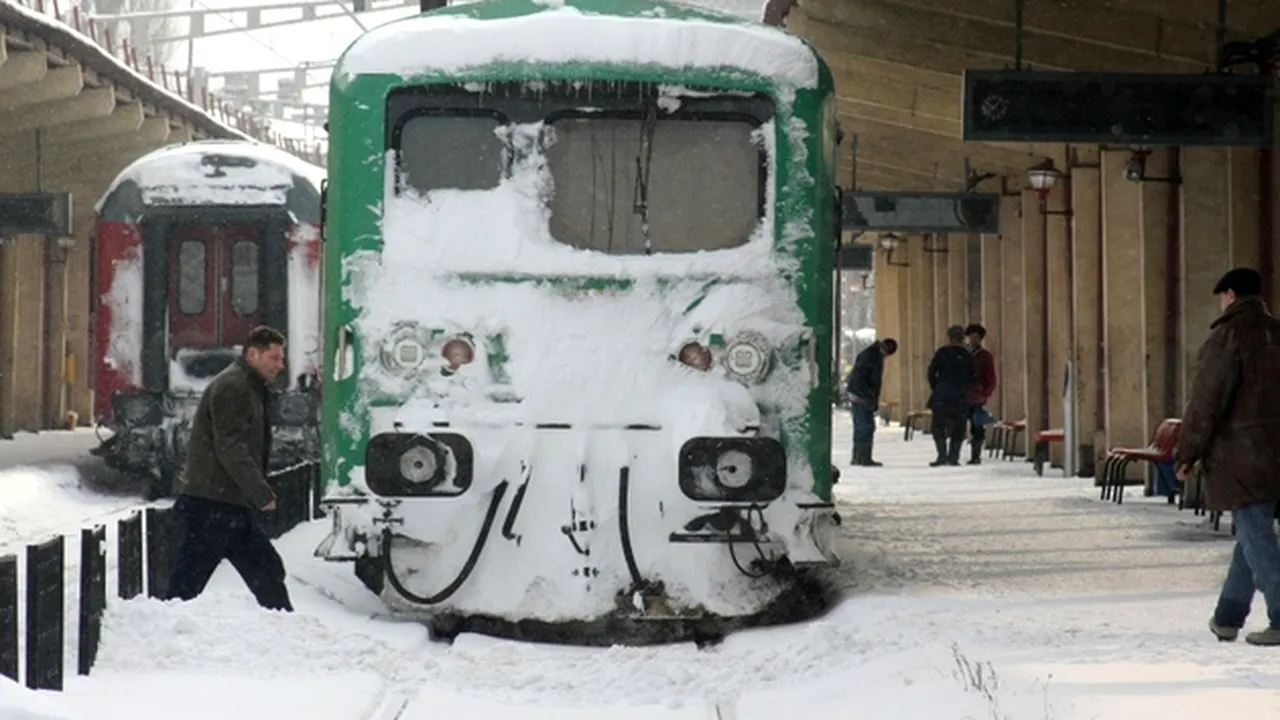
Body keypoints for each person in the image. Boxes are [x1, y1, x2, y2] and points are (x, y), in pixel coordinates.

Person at [1176, 268, 1280, 646]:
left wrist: (1188, 452)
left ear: (1231, 296)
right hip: (1274, 451)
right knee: (1252, 532)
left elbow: (1207, 402)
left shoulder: (1228, 337)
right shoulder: (1276, 332)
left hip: (1243, 453)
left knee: (1256, 532)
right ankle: (1228, 616)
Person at [161, 325, 294, 612]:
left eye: (281, 358)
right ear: (253, 355)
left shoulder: (247, 386)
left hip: (226, 502)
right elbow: (230, 446)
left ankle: (284, 624)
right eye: (274, 358)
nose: (280, 365)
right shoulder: (234, 387)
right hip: (213, 503)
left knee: (266, 570)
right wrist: (260, 492)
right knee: (189, 581)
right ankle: (165, 628)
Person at [926, 325, 976, 467]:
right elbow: (973, 377)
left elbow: (931, 372)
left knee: (938, 426)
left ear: (949, 338)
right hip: (960, 396)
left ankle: (942, 455)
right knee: (959, 427)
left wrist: (936, 387)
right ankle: (954, 457)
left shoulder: (942, 353)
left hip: (942, 395)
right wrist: (965, 388)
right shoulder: (967, 355)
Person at [846, 337, 899, 466]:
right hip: (862, 396)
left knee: (862, 427)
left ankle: (858, 457)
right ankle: (863, 457)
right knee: (865, 427)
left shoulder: (871, 353)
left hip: (859, 395)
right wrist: (870, 398)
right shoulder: (873, 356)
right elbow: (869, 380)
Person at [965, 323, 999, 465]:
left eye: (977, 337)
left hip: (976, 397)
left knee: (977, 426)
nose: (974, 339)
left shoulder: (985, 356)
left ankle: (975, 455)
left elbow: (991, 378)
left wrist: (984, 392)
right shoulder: (963, 354)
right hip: (961, 395)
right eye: (971, 336)